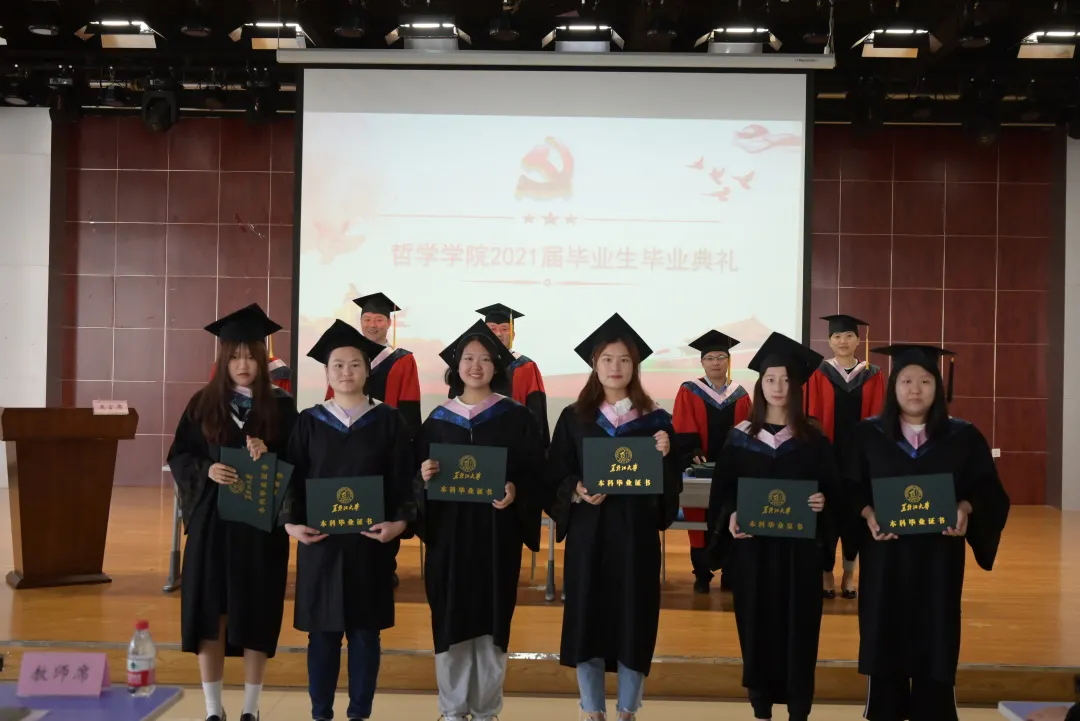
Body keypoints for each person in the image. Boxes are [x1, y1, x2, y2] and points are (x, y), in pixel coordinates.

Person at [845, 344, 1010, 721]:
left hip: (939, 557)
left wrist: (966, 508)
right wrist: (867, 514)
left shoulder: (963, 436)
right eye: (906, 381)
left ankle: (934, 710)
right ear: (893, 387)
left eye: (925, 381)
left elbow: (989, 490)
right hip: (886, 558)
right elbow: (849, 488)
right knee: (885, 632)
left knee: (937, 632)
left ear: (938, 387)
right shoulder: (867, 435)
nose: (915, 389)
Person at [547, 313, 682, 721]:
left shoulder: (656, 420)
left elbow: (668, 487)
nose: (615, 367)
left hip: (635, 536)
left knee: (634, 617)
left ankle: (627, 708)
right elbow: (554, 473)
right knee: (587, 616)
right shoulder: (574, 417)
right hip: (590, 535)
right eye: (607, 359)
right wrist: (576, 488)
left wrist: (666, 454)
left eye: (624, 359)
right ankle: (592, 708)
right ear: (594, 364)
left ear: (635, 365)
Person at [166, 304, 298, 721]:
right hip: (213, 524)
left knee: (257, 609)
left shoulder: (281, 407)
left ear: (262, 360)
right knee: (212, 611)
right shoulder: (203, 403)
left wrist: (269, 453)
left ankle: (250, 709)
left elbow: (299, 463)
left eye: (251, 357)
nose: (243, 365)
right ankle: (212, 709)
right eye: (235, 356)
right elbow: (180, 455)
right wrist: (207, 469)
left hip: (260, 526)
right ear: (223, 359)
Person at [280, 320, 416, 721]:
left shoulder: (388, 420)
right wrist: (290, 523)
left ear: (367, 370)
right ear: (326, 372)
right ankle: (321, 713)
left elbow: (403, 479)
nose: (346, 372)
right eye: (337, 365)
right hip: (320, 543)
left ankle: (359, 713)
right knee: (321, 636)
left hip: (369, 544)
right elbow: (291, 477)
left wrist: (399, 523)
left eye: (354, 364)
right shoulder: (309, 421)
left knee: (365, 634)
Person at [415, 320, 544, 721]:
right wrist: (422, 478)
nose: (475, 366)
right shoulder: (438, 420)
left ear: (496, 367)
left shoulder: (517, 417)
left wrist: (516, 491)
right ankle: (453, 708)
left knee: (492, 619)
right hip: (449, 538)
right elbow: (414, 479)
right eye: (468, 358)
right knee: (449, 616)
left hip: (496, 535)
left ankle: (486, 709)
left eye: (485, 359)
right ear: (456, 366)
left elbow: (534, 473)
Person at [706, 331, 839, 721]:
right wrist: (731, 514)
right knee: (756, 627)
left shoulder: (813, 439)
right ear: (760, 385)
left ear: (796, 386)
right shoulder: (740, 438)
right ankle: (761, 708)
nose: (778, 387)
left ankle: (799, 710)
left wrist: (823, 503)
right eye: (770, 379)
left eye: (785, 379)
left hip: (800, 556)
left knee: (800, 630)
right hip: (754, 553)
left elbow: (834, 492)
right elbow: (724, 493)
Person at [326, 292, 421, 588]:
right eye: (367, 318)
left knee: (384, 500)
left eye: (379, 319)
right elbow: (331, 398)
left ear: (389, 323)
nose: (372, 324)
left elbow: (409, 405)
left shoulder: (402, 360)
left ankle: (385, 565)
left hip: (384, 444)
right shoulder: (347, 359)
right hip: (345, 443)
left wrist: (405, 443)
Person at [806, 314, 886, 600]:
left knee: (855, 519)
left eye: (849, 336)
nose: (843, 341)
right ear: (829, 341)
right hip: (827, 458)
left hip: (859, 461)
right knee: (826, 518)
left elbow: (879, 416)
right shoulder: (818, 373)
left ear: (858, 340)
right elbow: (811, 416)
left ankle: (850, 574)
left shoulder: (873, 374)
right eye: (837, 336)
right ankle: (826, 572)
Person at [672, 329, 752, 593]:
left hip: (731, 468)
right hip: (700, 468)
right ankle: (701, 574)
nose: (715, 362)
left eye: (720, 357)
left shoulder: (740, 394)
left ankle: (730, 571)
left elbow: (748, 429)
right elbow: (682, 424)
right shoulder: (689, 390)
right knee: (700, 517)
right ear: (702, 362)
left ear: (728, 361)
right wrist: (691, 450)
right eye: (710, 358)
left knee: (730, 513)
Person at [477, 303, 550, 447]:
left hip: (517, 445)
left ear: (513, 335)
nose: (499, 334)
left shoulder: (526, 366)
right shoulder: (470, 368)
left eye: (504, 329)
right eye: (492, 329)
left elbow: (537, 414)